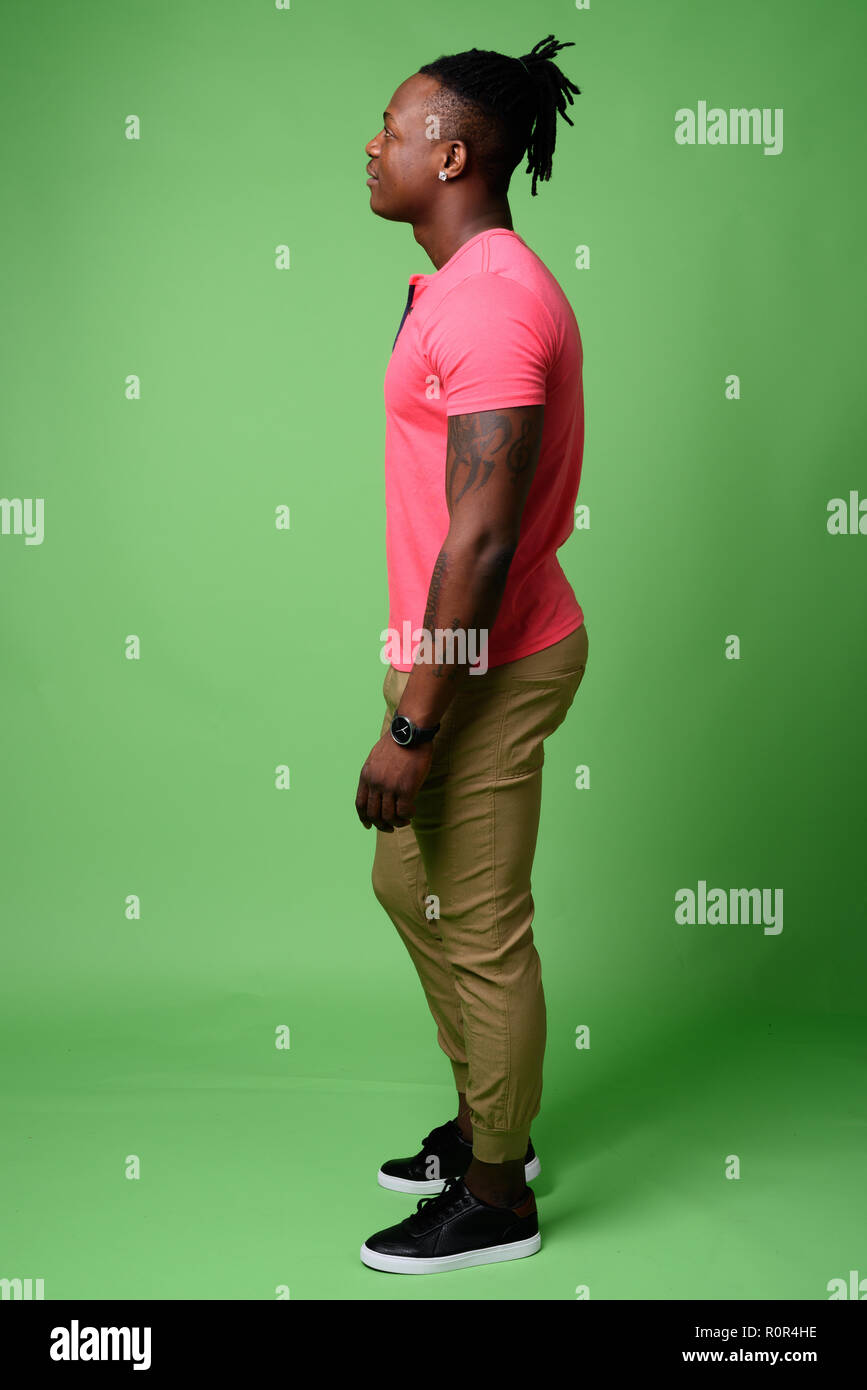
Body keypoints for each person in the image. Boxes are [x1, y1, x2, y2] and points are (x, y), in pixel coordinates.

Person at [355, 34, 589, 1275]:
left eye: (391, 128)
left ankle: (498, 1195)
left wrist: (413, 726)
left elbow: (485, 536)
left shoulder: (492, 295)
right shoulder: (460, 282)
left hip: (487, 661)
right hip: (450, 655)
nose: (373, 146)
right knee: (413, 886)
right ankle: (486, 1124)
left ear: (451, 152)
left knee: (481, 922)